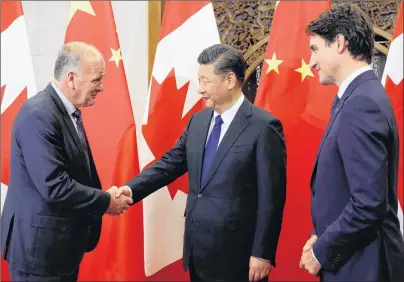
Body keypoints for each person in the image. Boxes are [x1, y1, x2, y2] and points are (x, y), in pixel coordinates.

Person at [116, 44, 286, 282]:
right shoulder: (198, 121)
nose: (199, 90)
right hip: (198, 248)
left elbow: (272, 198)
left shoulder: (263, 126)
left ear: (229, 80)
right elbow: (169, 164)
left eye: (205, 81)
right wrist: (131, 188)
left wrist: (262, 253)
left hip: (238, 255)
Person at [0, 41, 133, 281]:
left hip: (59, 250)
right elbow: (55, 186)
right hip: (38, 255)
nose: (101, 87)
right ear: (71, 78)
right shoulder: (39, 114)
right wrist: (106, 201)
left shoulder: (65, 112)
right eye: (96, 80)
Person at [300, 4, 404, 281]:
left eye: (315, 49)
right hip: (354, 257)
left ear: (339, 43)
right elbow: (344, 190)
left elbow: (368, 204)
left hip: (362, 265)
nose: (310, 62)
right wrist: (319, 235)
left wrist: (322, 250)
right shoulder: (357, 96)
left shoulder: (361, 103)